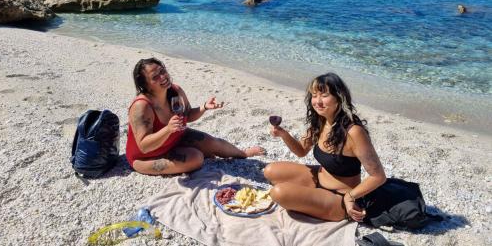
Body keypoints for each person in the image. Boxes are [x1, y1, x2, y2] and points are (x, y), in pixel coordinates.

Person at [264, 73, 386, 222]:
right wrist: (283, 134)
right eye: (314, 95)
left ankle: (330, 206)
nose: (317, 101)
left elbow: (378, 176)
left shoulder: (354, 132)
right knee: (269, 171)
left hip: (340, 197)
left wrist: (350, 197)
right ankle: (311, 194)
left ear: (339, 98)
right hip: (318, 177)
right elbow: (301, 151)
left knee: (278, 193)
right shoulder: (320, 121)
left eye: (324, 95)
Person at [126, 57, 265, 175]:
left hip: (173, 140)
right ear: (146, 85)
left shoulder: (175, 91)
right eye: (155, 77)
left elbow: (188, 115)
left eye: (162, 71)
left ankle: (243, 153)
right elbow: (143, 145)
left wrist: (204, 107)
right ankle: (194, 153)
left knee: (213, 143)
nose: (163, 76)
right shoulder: (142, 106)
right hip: (146, 157)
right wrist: (168, 129)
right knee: (196, 158)